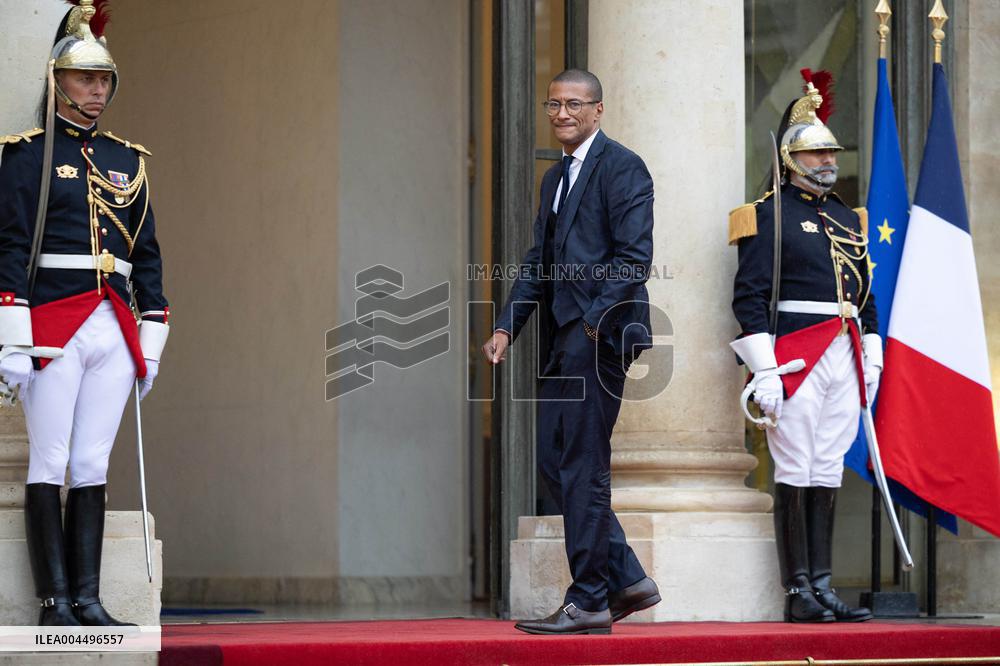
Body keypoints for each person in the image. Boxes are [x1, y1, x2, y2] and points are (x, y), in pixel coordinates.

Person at [0, 0, 169, 626]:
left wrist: (151, 337)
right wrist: (12, 335)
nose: (97, 91)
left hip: (113, 325)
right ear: (57, 81)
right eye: (84, 79)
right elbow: (13, 245)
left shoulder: (131, 160)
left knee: (92, 462)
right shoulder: (27, 156)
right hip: (51, 320)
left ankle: (88, 598)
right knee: (49, 460)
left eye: (104, 81)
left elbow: (146, 256)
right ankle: (54, 602)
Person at [482, 69, 659, 635]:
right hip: (563, 337)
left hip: (599, 335)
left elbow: (634, 259)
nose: (562, 113)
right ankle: (627, 578)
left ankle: (589, 599)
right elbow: (538, 262)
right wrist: (508, 326)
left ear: (598, 110)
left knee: (582, 465)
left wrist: (589, 324)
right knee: (555, 464)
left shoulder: (623, 166)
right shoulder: (554, 179)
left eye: (574, 104)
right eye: (554, 104)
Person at [729, 71, 877, 623]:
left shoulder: (846, 214)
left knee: (829, 464)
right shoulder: (766, 215)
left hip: (845, 349)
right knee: (794, 463)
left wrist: (874, 352)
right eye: (815, 154)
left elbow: (865, 293)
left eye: (829, 153)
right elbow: (748, 297)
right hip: (795, 350)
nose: (825, 161)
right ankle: (797, 592)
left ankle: (822, 584)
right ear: (791, 159)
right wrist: (763, 370)